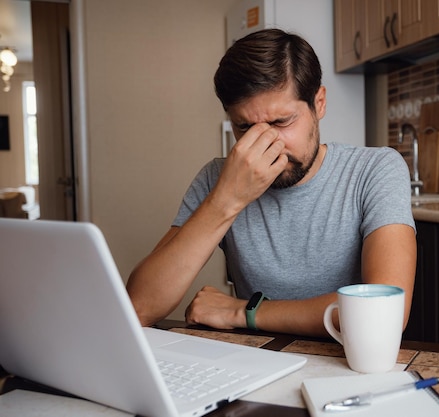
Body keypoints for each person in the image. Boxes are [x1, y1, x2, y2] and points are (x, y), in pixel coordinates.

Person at [126, 28, 416, 338]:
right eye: (244, 127)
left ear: (319, 103)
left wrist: (243, 312)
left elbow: (383, 313)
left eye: (281, 122)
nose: (266, 144)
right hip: (258, 364)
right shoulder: (218, 178)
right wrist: (227, 199)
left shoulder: (375, 170)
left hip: (347, 364)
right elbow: (139, 307)